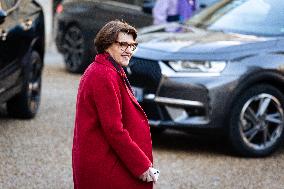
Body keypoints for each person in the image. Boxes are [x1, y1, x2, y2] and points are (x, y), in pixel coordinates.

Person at [72, 20, 159, 189]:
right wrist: (141, 166)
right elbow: (113, 129)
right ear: (106, 45)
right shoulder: (104, 75)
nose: (129, 51)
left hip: (107, 161)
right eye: (123, 45)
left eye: (132, 45)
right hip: (105, 166)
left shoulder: (110, 69)